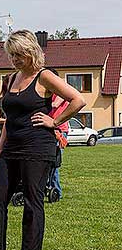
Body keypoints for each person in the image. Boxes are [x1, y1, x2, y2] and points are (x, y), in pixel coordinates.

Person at [0, 30, 85, 250]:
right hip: (11, 147)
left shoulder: (44, 76)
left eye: (19, 55)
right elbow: (9, 118)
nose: (14, 59)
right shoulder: (12, 78)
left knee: (33, 200)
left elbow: (78, 99)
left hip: (37, 147)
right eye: (11, 55)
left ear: (31, 52)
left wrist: (54, 121)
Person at [48, 69, 69, 199]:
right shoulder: (50, 92)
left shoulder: (61, 91)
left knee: (54, 163)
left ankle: (56, 191)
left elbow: (55, 105)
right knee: (47, 162)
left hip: (60, 130)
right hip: (50, 128)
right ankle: (48, 188)